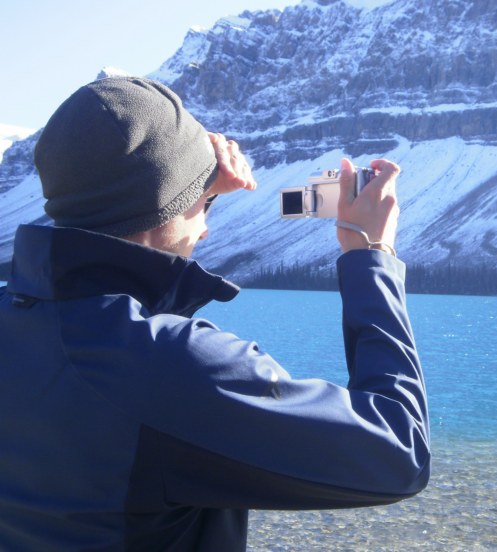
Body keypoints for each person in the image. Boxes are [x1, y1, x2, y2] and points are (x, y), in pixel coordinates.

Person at [0, 76, 429, 551]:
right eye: (202, 203)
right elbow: (399, 452)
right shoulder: (174, 367)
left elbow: (120, 358)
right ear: (166, 203)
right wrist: (372, 255)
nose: (204, 229)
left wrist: (190, 184)